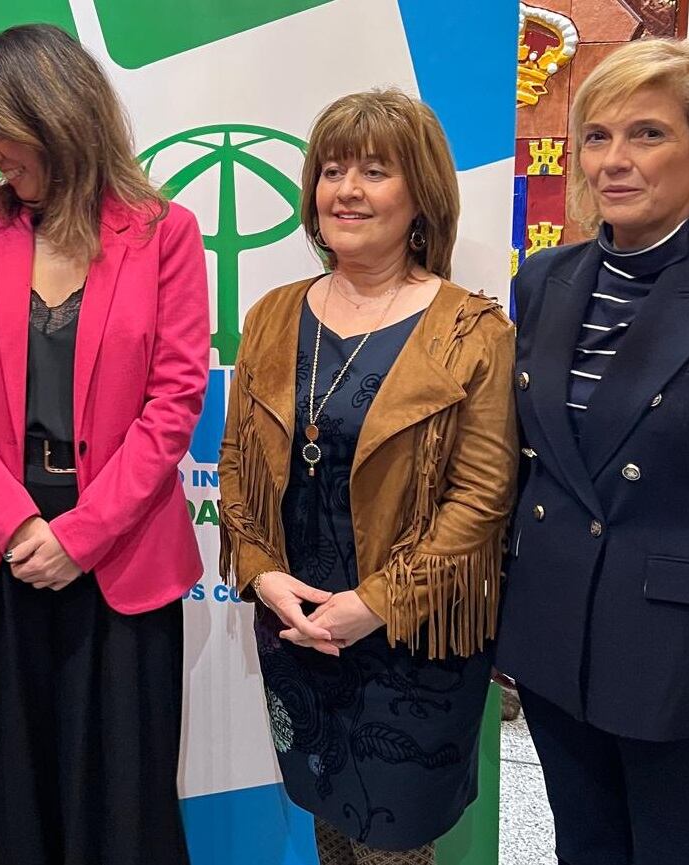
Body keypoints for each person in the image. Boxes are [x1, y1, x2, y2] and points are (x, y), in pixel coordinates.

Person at [0, 24, 209, 865]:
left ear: (52, 117)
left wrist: (79, 536)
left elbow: (174, 398)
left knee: (118, 796)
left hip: (118, 553)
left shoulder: (165, 232)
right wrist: (15, 524)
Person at [497, 38, 689, 865]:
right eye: (597, 135)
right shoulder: (544, 281)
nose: (613, 161)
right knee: (583, 848)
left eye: (647, 135)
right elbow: (532, 467)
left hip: (678, 664)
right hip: (556, 641)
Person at [218, 89, 517, 865]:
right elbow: (240, 463)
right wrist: (262, 574)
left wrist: (372, 604)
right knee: (326, 818)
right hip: (296, 623)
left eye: (375, 171)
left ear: (420, 195)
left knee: (392, 842)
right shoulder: (274, 314)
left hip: (411, 639)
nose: (346, 189)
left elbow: (482, 499)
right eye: (332, 169)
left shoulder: (470, 330)